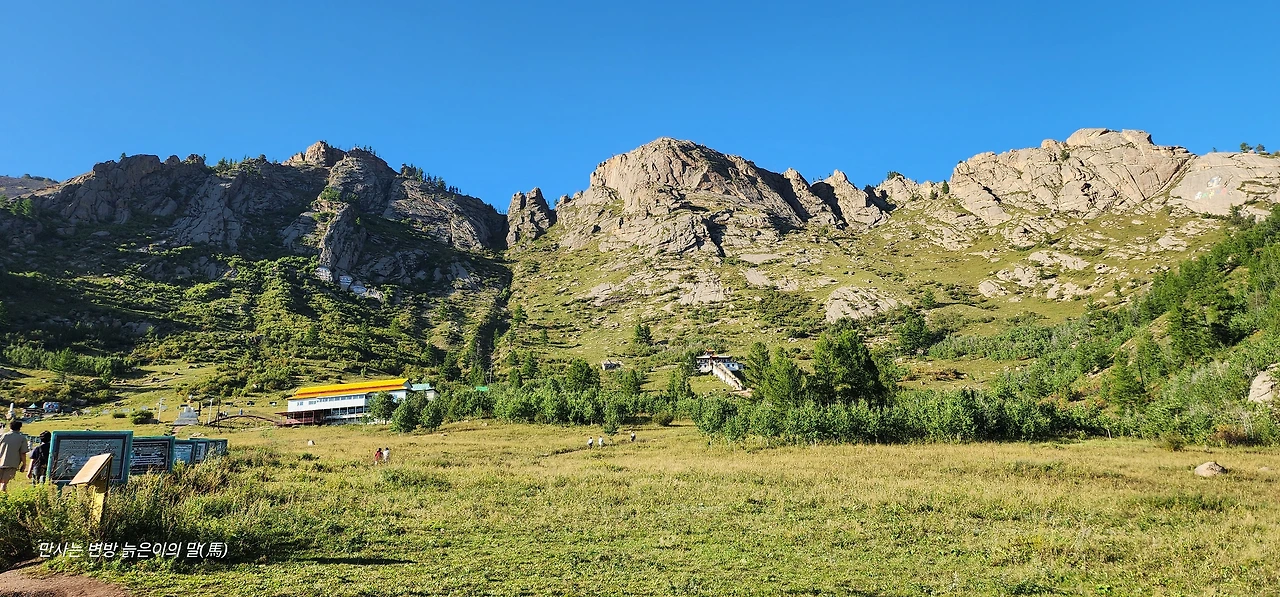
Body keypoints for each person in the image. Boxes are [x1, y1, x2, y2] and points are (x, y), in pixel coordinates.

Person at [0, 420, 29, 492]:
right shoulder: (22, 438)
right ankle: (3, 496)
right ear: (19, 428)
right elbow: (23, 453)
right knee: (4, 483)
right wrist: (24, 464)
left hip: (0, 461)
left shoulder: (3, 436)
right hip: (12, 463)